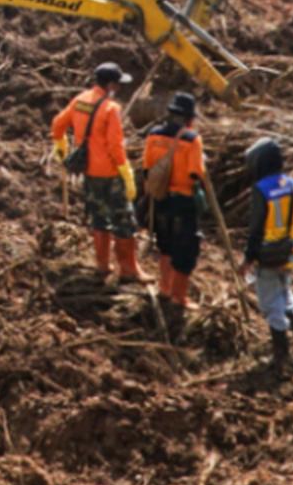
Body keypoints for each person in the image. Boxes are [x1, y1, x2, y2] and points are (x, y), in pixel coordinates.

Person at [51, 63, 144, 284]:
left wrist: (61, 146)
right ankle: (129, 269)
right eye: (117, 84)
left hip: (89, 172)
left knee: (99, 218)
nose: (119, 89)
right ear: (110, 85)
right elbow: (115, 146)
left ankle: (102, 265)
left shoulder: (80, 100)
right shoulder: (111, 109)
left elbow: (57, 124)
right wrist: (126, 172)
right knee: (124, 221)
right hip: (110, 173)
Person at [242, 137, 293, 380]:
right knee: (286, 294)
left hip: (269, 254)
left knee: (271, 304)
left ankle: (281, 357)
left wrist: (248, 258)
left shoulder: (262, 189)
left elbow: (256, 229)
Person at [143, 93, 207, 319]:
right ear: (189, 118)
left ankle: (165, 288)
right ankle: (179, 297)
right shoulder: (192, 139)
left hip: (160, 199)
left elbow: (147, 168)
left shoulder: (154, 135)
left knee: (166, 245)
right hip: (182, 201)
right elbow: (195, 173)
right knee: (185, 250)